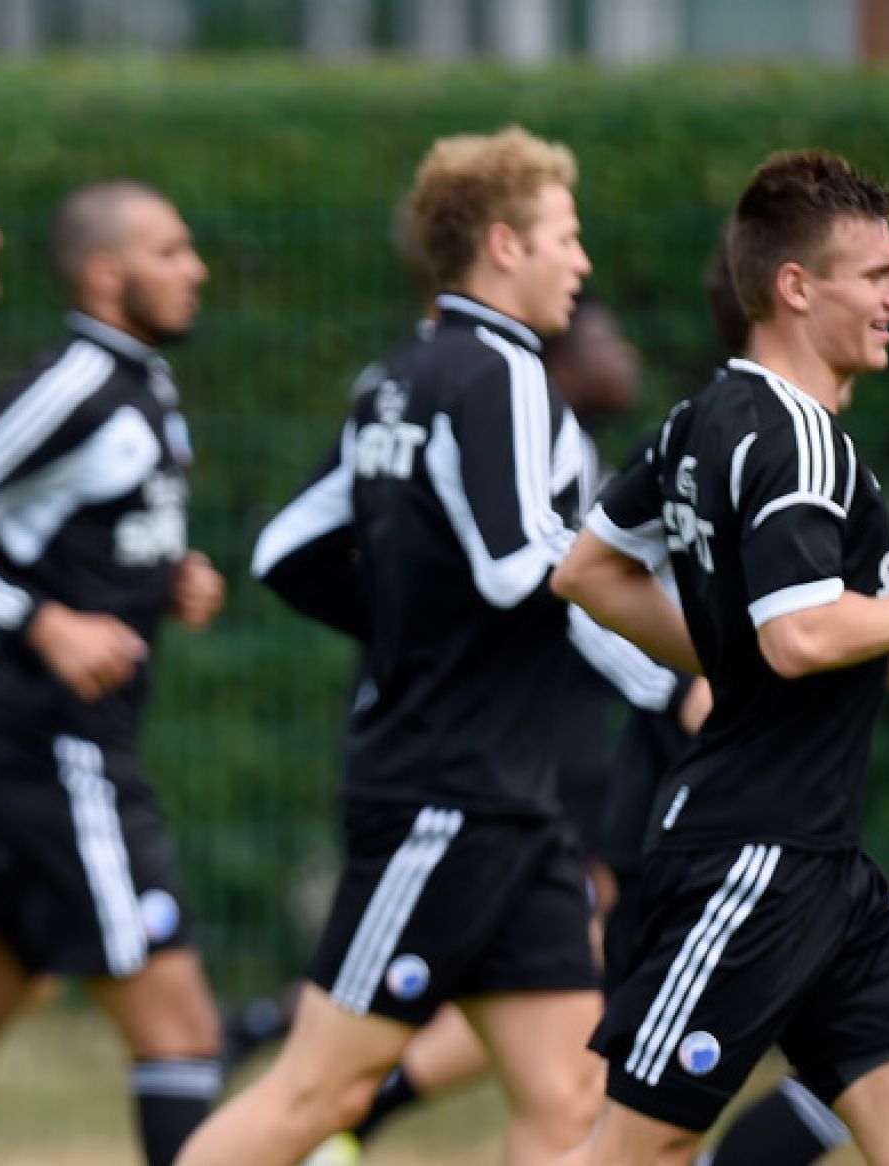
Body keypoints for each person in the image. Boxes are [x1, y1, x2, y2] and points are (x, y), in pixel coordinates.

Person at [185, 126, 679, 1166]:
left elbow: (287, 546)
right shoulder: (501, 372)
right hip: (446, 797)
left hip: (512, 800)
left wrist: (409, 623)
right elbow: (526, 565)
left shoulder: (401, 373)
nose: (580, 263)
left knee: (568, 1088)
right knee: (320, 1089)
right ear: (504, 244)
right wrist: (684, 663)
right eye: (566, 237)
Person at [552, 148, 889, 1166]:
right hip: (750, 855)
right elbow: (793, 633)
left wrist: (862, 651)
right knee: (636, 1149)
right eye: (877, 274)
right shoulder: (797, 437)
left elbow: (591, 571)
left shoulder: (704, 417)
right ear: (796, 286)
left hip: (822, 862)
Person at [0, 179, 227, 1166]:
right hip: (58, 750)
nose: (194, 270)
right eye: (169, 251)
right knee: (181, 1029)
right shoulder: (72, 381)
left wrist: (164, 572)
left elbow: (80, 524)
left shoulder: (145, 382)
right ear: (105, 272)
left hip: (52, 750)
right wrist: (44, 621)